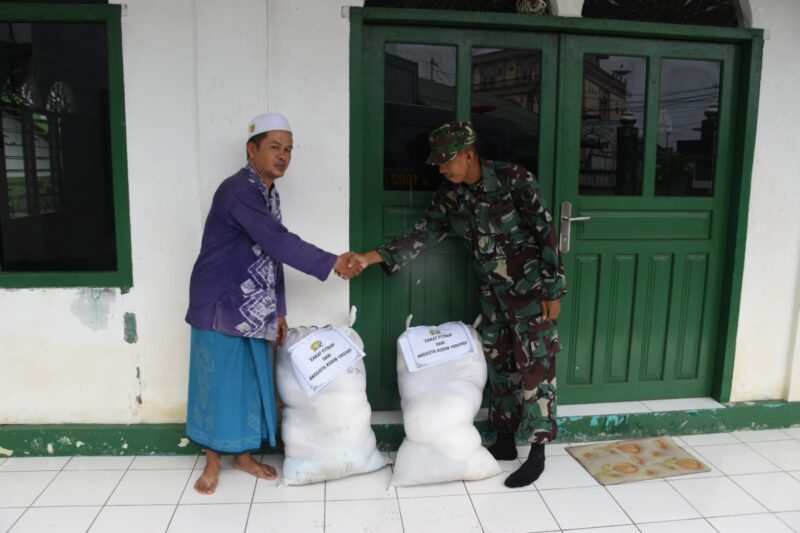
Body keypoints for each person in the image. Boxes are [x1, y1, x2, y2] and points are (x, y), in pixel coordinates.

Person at [353, 120, 566, 488]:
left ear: (469, 153)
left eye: (447, 161)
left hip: (530, 293)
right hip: (493, 296)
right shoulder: (450, 196)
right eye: (437, 163)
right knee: (500, 367)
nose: (442, 169)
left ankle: (537, 451)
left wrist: (554, 289)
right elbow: (424, 234)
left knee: (536, 367)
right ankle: (503, 439)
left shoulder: (514, 179)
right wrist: (369, 257)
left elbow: (545, 231)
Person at [185, 112, 361, 495]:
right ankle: (213, 461)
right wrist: (332, 261)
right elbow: (278, 241)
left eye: (289, 149)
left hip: (251, 304)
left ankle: (243, 455)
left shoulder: (267, 192)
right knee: (217, 383)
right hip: (219, 301)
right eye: (274, 147)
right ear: (252, 150)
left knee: (250, 382)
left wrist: (279, 308)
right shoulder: (238, 191)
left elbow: (270, 254)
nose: (283, 156)